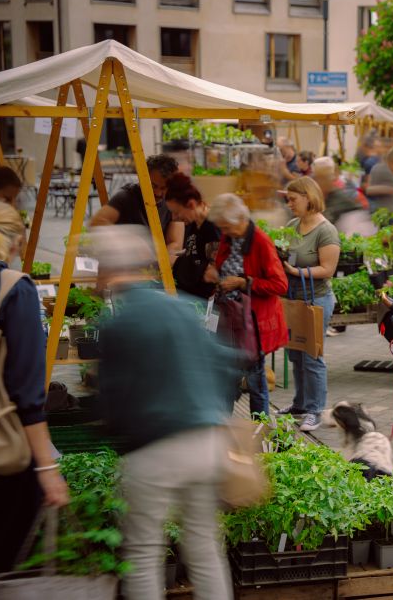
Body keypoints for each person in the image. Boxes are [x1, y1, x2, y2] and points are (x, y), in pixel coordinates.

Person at [93, 225, 238, 600]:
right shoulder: (181, 307)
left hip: (153, 449)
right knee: (205, 544)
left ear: (108, 271)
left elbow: (112, 398)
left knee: (143, 551)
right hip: (203, 443)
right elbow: (225, 361)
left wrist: (113, 430)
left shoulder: (116, 325)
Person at [0, 200, 69, 577]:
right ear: (15, 241)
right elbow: (27, 392)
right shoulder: (14, 292)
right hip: (0, 451)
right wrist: (48, 467)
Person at [205, 194, 288, 416]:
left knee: (255, 380)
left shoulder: (261, 242)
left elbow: (280, 284)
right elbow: (223, 264)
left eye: (226, 226)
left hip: (252, 324)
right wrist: (216, 273)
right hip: (229, 318)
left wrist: (244, 282)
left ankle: (258, 430)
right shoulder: (229, 237)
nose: (224, 231)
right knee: (226, 376)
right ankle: (224, 429)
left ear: (240, 218)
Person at [275, 178, 341, 431]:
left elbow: (328, 269)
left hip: (316, 299)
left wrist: (294, 269)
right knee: (295, 353)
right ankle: (300, 404)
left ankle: (316, 409)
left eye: (293, 199)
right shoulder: (293, 224)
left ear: (308, 197)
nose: (289, 203)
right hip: (294, 299)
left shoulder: (326, 231)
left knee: (312, 356)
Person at [90, 154, 184, 257]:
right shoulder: (126, 196)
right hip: (126, 263)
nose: (157, 193)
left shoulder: (174, 201)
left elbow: (175, 243)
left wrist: (162, 261)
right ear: (141, 178)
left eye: (164, 188)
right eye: (153, 186)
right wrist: (132, 239)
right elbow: (96, 223)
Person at [164, 173, 222, 299]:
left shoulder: (212, 227)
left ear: (191, 204)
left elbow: (213, 274)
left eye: (176, 212)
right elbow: (196, 253)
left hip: (202, 303)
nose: (174, 218)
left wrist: (176, 263)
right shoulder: (196, 223)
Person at [366, 137, 393, 215]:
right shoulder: (376, 166)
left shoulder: (377, 167)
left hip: (389, 210)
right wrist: (391, 190)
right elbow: (369, 190)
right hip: (384, 210)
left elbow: (369, 189)